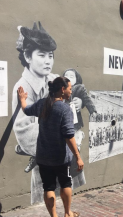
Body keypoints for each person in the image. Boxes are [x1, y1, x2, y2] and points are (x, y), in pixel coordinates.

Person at [17, 77, 83, 217]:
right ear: (62, 89)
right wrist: (78, 156)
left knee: (48, 187)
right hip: (60, 158)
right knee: (65, 183)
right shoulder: (65, 109)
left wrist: (22, 99)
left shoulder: (43, 104)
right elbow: (69, 136)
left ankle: (54, 216)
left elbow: (26, 110)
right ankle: (67, 213)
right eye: (70, 89)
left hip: (43, 157)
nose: (71, 92)